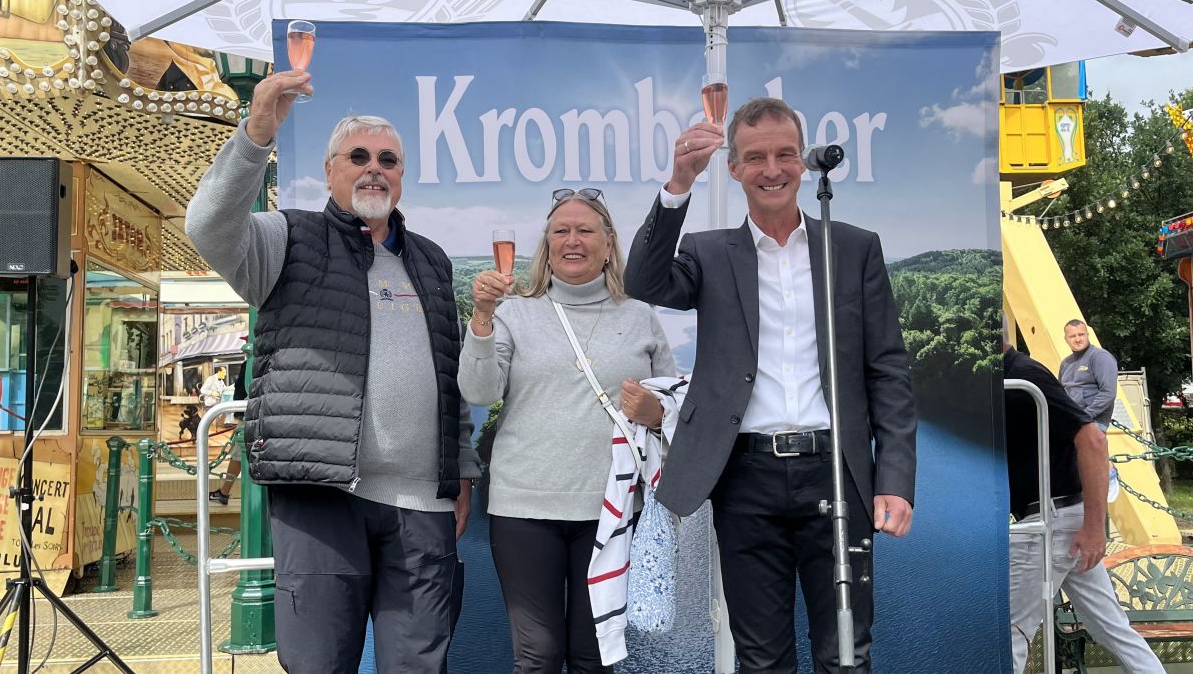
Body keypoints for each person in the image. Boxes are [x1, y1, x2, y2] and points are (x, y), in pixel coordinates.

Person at [185, 69, 481, 673]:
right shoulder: (288, 238)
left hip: (422, 503)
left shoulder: (431, 260)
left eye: (389, 159)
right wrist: (254, 136)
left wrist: (462, 470)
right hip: (322, 495)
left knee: (421, 665)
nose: (375, 168)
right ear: (329, 172)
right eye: (359, 156)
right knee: (319, 663)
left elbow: (448, 375)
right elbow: (207, 229)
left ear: (401, 175)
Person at [623, 97, 916, 673]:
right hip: (746, 479)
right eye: (755, 157)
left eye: (785, 154)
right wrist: (678, 183)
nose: (773, 168)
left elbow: (888, 369)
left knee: (847, 654)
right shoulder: (709, 252)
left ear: (804, 163)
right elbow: (644, 278)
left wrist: (897, 479)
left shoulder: (854, 247)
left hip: (837, 471)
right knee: (761, 659)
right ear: (734, 168)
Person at [458, 188, 676, 673]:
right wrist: (482, 318)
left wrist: (657, 413)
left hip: (612, 512)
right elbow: (478, 392)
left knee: (592, 657)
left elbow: (676, 406)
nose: (571, 240)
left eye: (584, 230)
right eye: (561, 231)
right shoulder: (513, 311)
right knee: (537, 657)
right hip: (524, 508)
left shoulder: (640, 316)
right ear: (547, 243)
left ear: (608, 243)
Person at [1003, 329, 1163, 674]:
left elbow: (1093, 439)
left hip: (1052, 520)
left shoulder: (1021, 375)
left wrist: (1094, 527)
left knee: (1010, 632)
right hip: (1062, 517)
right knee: (1113, 629)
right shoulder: (1017, 374)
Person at [1059, 319, 1119, 431]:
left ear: (1087, 335)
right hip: (1071, 423)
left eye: (1081, 334)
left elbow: (1108, 392)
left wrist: (1085, 415)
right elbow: (1061, 394)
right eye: (1072, 336)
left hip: (1093, 424)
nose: (1077, 339)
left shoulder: (1100, 357)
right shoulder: (1065, 363)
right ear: (1066, 339)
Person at [208, 370, 247, 506]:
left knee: (238, 455)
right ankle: (224, 492)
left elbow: (241, 389)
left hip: (249, 414)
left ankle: (224, 492)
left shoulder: (251, 363)